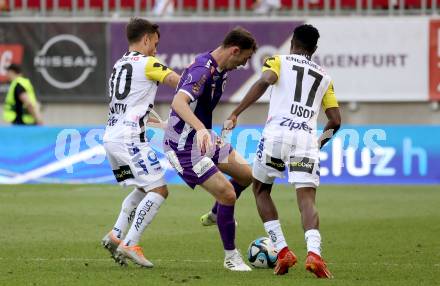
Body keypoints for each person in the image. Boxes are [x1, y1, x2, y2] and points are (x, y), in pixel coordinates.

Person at [222, 24, 341, 277]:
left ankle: (283, 249)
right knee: (307, 199)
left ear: (292, 43)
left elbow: (266, 80)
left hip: (276, 134)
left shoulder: (278, 61)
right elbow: (336, 121)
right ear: (315, 48)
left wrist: (236, 111)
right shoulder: (325, 78)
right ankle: (315, 254)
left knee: (261, 189)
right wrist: (318, 143)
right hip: (306, 139)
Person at [163, 27, 257, 271]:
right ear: (235, 50)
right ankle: (231, 257)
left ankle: (217, 215)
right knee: (227, 193)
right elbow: (178, 102)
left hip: (203, 138)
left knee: (246, 175)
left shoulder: (221, 71)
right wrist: (201, 128)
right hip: (184, 147)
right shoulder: (202, 69)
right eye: (244, 59)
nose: (243, 65)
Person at [101, 17, 180, 268]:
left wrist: (159, 123)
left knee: (143, 187)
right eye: (154, 43)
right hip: (130, 139)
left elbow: (133, 103)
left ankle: (116, 234)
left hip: (112, 137)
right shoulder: (148, 63)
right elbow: (178, 82)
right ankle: (131, 242)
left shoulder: (118, 64)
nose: (156, 49)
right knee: (158, 190)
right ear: (145, 39)